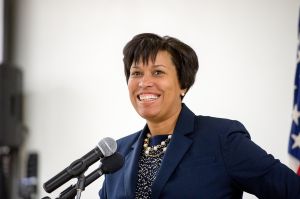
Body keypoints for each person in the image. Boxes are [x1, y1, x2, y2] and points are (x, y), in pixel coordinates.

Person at [99, 33, 300, 199]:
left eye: (158, 72)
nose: (144, 82)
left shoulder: (222, 139)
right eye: (136, 73)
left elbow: (291, 190)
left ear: (183, 84)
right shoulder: (118, 154)